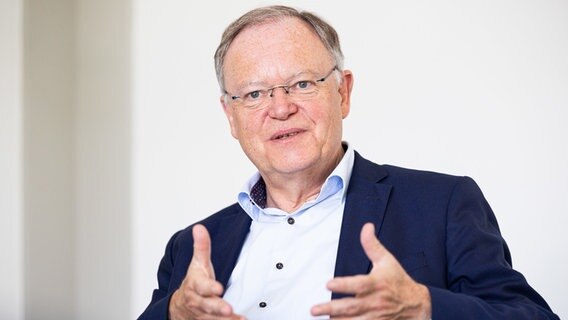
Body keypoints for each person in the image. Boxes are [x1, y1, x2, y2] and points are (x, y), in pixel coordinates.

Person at [138, 5, 559, 320]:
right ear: (231, 116)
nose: (280, 108)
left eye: (301, 84)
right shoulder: (191, 247)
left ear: (343, 93)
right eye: (253, 94)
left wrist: (423, 307)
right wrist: (173, 313)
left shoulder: (442, 204)